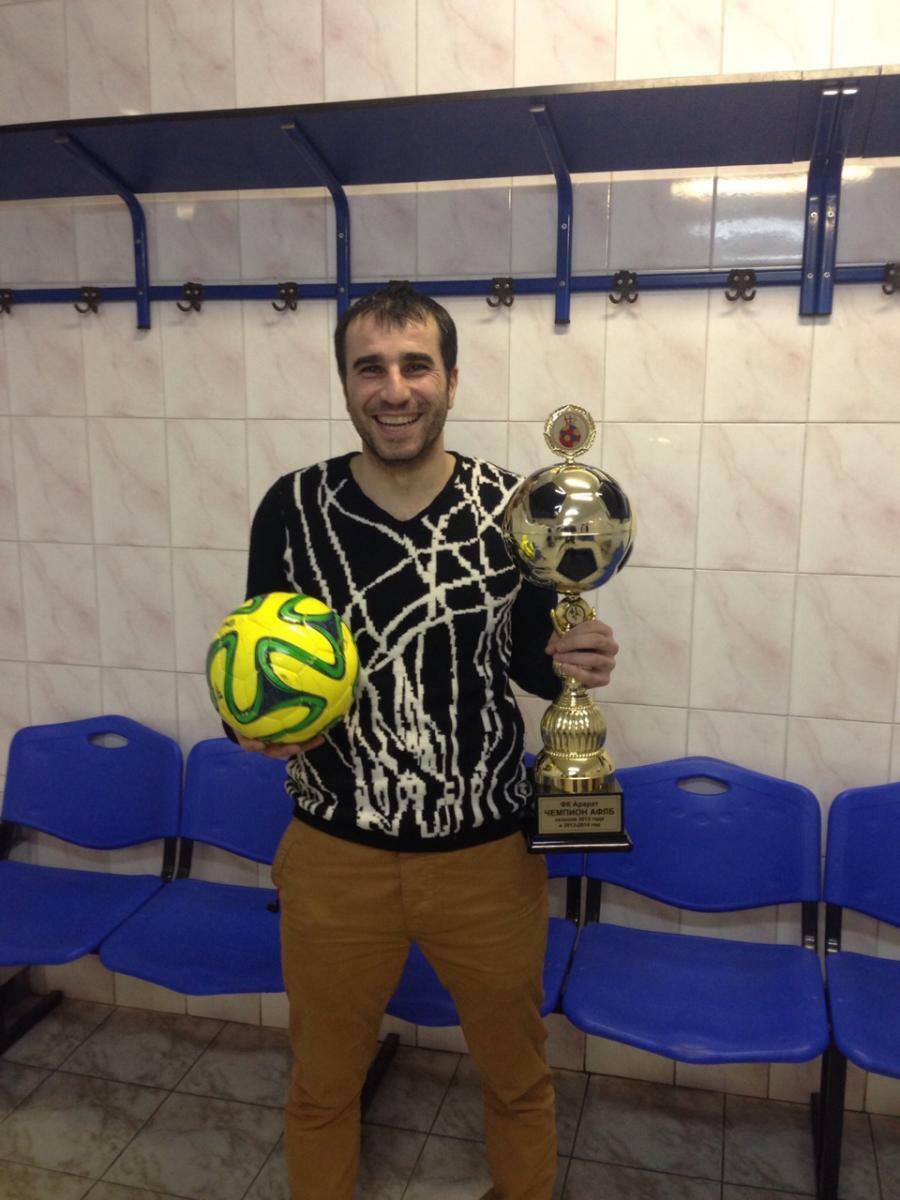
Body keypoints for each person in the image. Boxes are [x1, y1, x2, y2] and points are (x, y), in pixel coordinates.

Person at [234, 284, 619, 1200]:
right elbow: (256, 659)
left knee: (517, 1079)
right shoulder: (293, 507)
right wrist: (251, 724)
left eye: (416, 366)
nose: (395, 389)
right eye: (370, 368)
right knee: (322, 1087)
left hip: (485, 859)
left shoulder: (512, 507)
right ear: (345, 383)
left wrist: (573, 661)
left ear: (451, 378)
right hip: (335, 855)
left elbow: (527, 662)